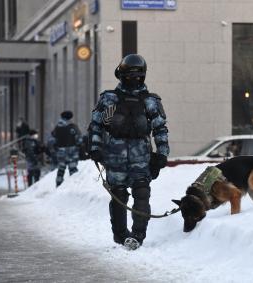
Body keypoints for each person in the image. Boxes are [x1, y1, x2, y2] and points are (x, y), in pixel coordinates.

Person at [88, 54, 169, 250]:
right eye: (130, 74)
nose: (134, 79)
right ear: (121, 74)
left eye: (137, 75)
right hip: (115, 157)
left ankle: (137, 236)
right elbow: (96, 126)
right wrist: (95, 149)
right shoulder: (108, 99)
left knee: (141, 194)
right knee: (118, 196)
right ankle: (121, 235)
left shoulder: (150, 101)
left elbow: (160, 129)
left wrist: (161, 155)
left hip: (140, 157)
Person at [52, 111, 82, 187]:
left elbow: (52, 141)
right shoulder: (73, 127)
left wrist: (56, 149)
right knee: (73, 170)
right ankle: (73, 187)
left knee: (61, 170)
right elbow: (79, 139)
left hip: (61, 152)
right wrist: (79, 146)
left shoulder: (57, 128)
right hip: (72, 152)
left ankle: (58, 186)